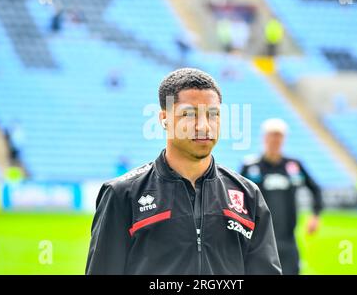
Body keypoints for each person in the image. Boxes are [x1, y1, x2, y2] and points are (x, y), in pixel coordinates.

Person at [86, 68, 282, 275]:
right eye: (190, 114)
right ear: (164, 118)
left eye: (213, 114)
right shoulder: (122, 194)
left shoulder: (248, 195)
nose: (204, 126)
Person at [240, 118, 323, 275]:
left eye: (279, 136)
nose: (275, 140)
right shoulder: (250, 166)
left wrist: (315, 215)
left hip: (288, 239)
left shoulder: (294, 166)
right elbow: (235, 195)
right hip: (258, 240)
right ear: (264, 138)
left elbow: (315, 189)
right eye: (272, 135)